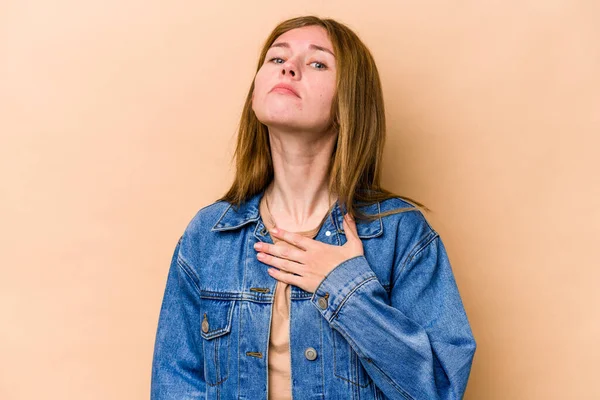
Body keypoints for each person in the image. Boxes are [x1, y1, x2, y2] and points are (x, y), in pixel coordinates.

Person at [151, 15, 476, 400]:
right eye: (276, 59)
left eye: (317, 63)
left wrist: (347, 289)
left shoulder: (399, 233)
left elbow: (440, 389)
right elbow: (175, 385)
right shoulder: (209, 234)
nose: (288, 67)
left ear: (347, 105)